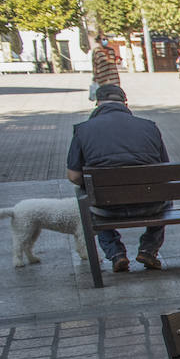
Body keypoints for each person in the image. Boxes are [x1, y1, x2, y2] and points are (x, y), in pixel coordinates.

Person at [66, 84, 172, 273]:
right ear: (125, 103)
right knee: (166, 198)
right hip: (150, 204)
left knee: (89, 200)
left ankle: (116, 253)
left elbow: (73, 176)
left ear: (97, 104)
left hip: (106, 207)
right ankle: (148, 248)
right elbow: (165, 169)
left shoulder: (83, 130)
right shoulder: (149, 126)